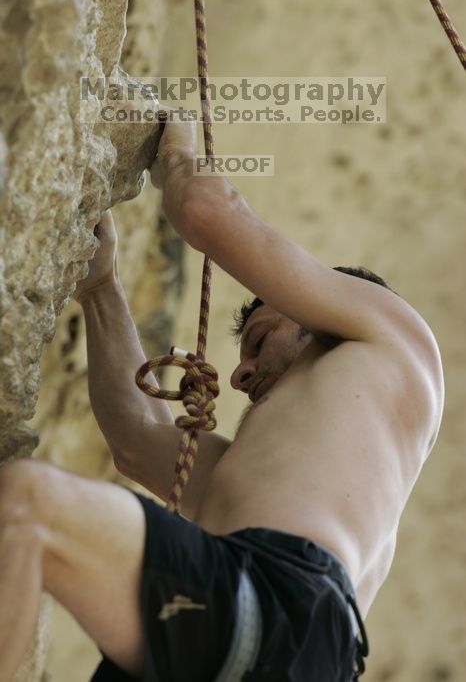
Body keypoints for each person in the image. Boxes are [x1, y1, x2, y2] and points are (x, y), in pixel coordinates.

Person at [0, 109, 444, 682]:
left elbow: (205, 211)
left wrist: (179, 138)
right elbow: (136, 441)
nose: (240, 376)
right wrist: (102, 289)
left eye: (259, 341)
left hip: (282, 602)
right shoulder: (293, 476)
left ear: (330, 309)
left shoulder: (397, 336)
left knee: (28, 506)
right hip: (286, 643)